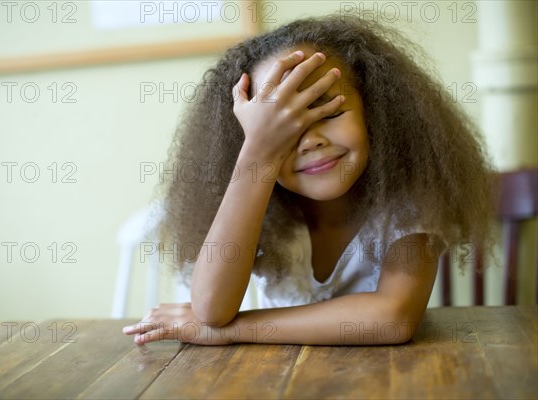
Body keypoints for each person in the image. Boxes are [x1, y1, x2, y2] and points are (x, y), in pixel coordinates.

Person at [123, 15, 495, 345]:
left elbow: (391, 319)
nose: (311, 140)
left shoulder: (410, 198)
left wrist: (230, 331)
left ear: (376, 112)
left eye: (328, 112)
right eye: (279, 131)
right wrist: (260, 154)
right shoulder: (264, 201)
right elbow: (210, 308)